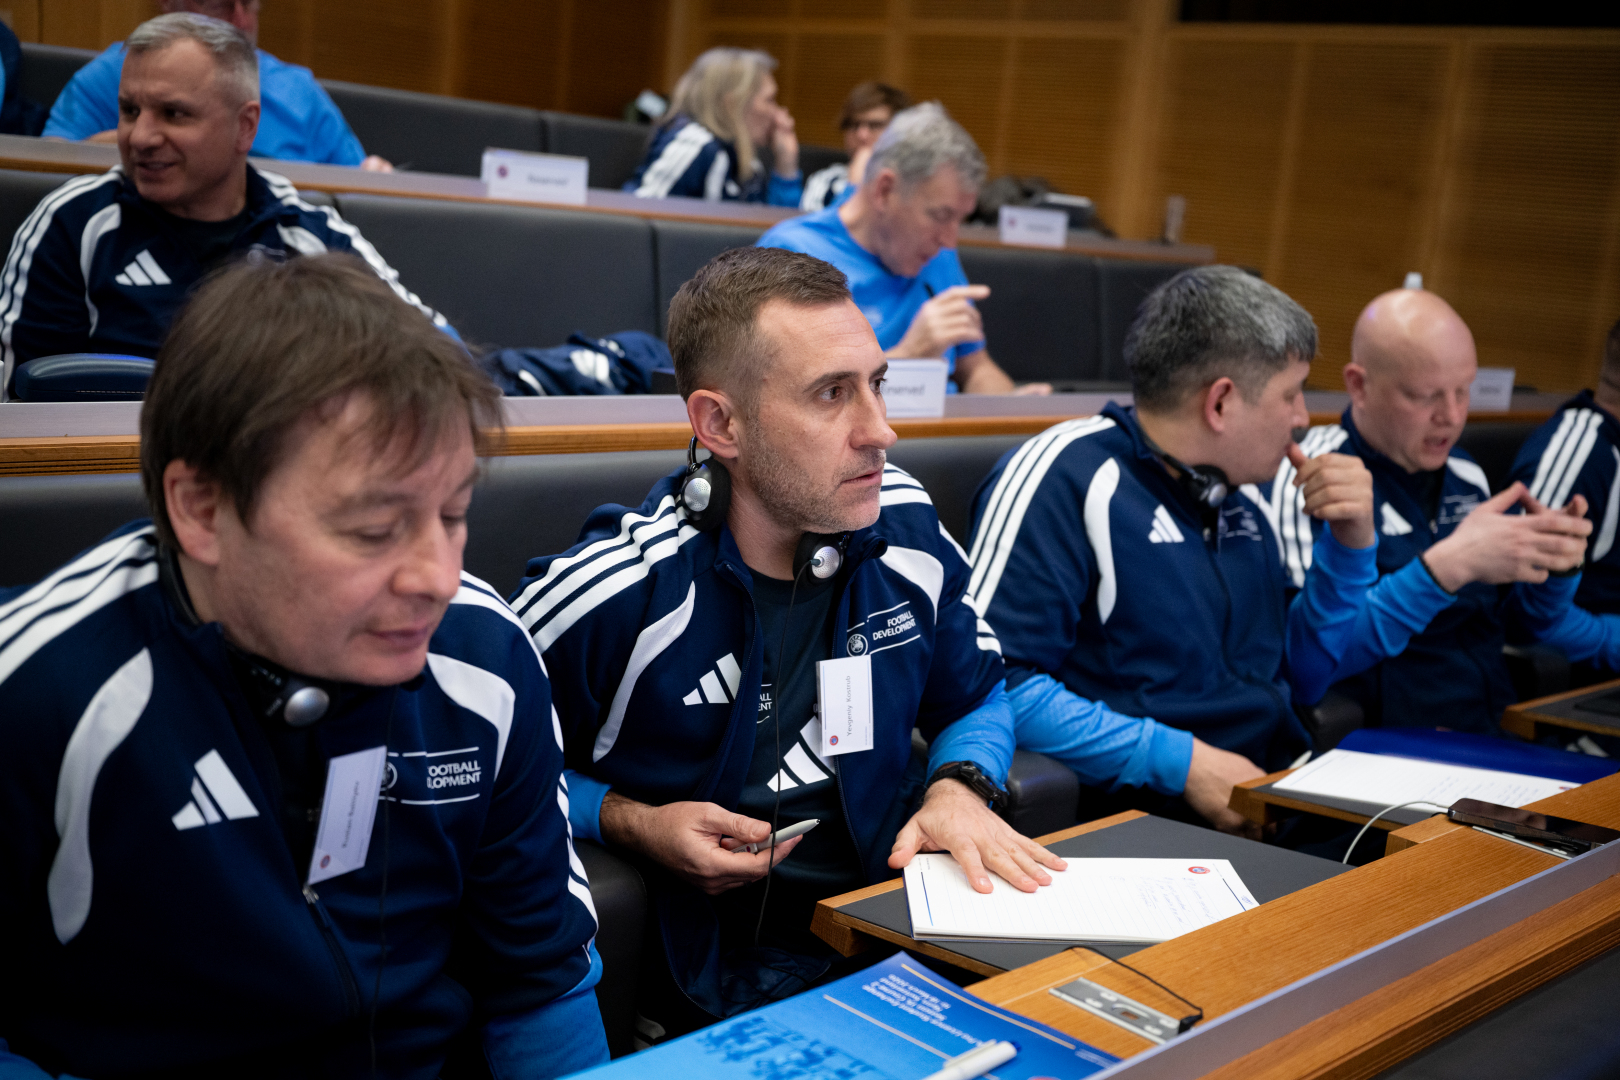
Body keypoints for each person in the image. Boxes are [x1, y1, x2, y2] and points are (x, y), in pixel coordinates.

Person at [0, 253, 607, 1078]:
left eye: (454, 514)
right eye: (373, 531)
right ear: (202, 509)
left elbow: (540, 982)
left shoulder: (485, 657)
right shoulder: (38, 688)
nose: (437, 578)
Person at [510, 246, 1064, 1034]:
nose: (882, 431)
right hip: (697, 981)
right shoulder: (612, 594)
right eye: (831, 394)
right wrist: (631, 821)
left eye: (877, 384)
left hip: (891, 936)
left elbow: (974, 697)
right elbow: (483, 790)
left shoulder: (902, 522)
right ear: (719, 423)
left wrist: (958, 789)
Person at [968, 266, 1386, 808]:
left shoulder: (1247, 491)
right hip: (1145, 816)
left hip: (1274, 791)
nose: (1303, 418)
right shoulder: (1065, 474)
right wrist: (1182, 764)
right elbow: (994, 683)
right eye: (1291, 394)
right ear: (1220, 403)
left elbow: (1302, 679)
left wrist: (1350, 548)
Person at [0, 13, 447, 399]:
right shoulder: (71, 224)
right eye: (130, 111)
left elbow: (437, 356)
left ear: (245, 127)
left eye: (174, 114)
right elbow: (19, 415)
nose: (141, 137)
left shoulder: (310, 233)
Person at [1275, 287, 1593, 733]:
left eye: (1464, 391)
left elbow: (1515, 631)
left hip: (1491, 723)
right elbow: (1305, 664)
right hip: (1386, 737)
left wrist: (1556, 570)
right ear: (1359, 386)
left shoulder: (1465, 472)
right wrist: (1446, 567)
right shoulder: (1312, 479)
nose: (1452, 416)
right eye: (1425, 396)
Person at [758, 103, 1046, 395]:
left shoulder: (937, 254)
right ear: (884, 191)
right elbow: (795, 395)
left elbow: (976, 368)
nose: (949, 241)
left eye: (959, 220)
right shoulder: (793, 253)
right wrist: (910, 354)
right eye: (940, 215)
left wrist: (1008, 403)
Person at [44, 0, 391, 170]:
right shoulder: (116, 73)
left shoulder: (299, 89)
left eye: (248, 3)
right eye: (217, 2)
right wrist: (153, 142)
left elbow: (355, 183)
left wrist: (375, 178)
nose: (240, 20)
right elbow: (45, 167)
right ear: (168, 3)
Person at [625, 47, 802, 206]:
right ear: (734, 103)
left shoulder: (746, 159)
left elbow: (777, 226)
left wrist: (786, 164)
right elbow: (639, 215)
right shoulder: (694, 145)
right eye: (769, 100)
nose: (778, 113)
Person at [800, 81, 910, 211]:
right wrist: (854, 187)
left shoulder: (914, 188)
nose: (862, 135)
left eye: (875, 125)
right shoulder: (825, 183)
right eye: (854, 125)